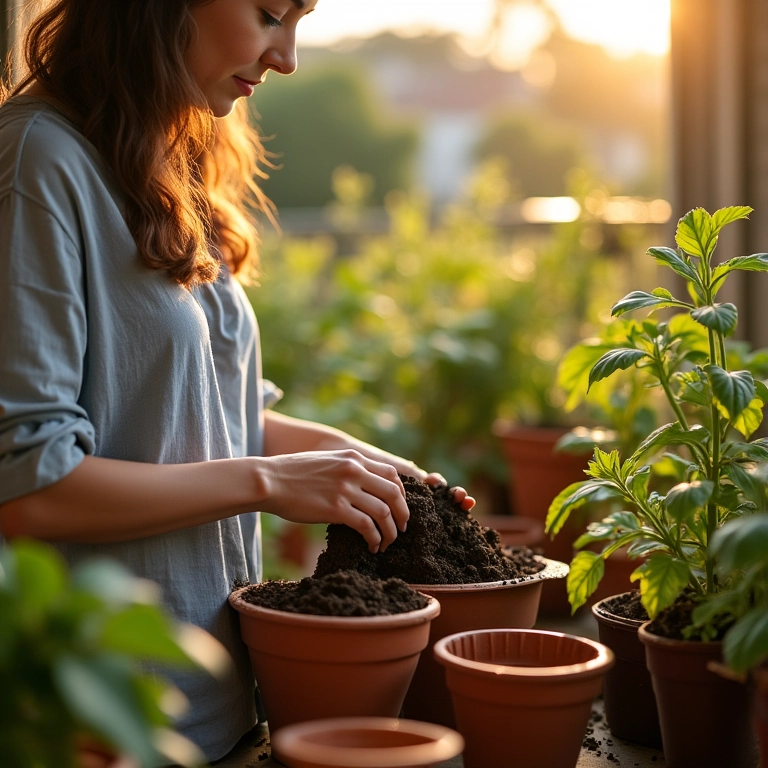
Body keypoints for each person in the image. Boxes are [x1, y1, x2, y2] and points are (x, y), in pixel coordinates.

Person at [0, 0, 475, 761]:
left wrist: (359, 466)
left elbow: (210, 414)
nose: (286, 56)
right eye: (269, 13)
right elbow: (28, 488)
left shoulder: (169, 154)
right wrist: (267, 482)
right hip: (107, 726)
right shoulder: (38, 163)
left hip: (225, 710)